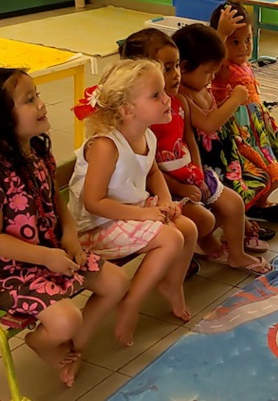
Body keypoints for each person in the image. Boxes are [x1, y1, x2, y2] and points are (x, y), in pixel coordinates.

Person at [0, 68, 128, 387]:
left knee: (116, 282)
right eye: (29, 100)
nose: (41, 104)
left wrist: (70, 235)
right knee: (66, 320)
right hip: (6, 271)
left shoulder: (37, 150)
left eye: (37, 95)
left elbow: (55, 200)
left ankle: (74, 350)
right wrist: (46, 258)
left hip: (49, 253)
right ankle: (43, 343)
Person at [119, 28, 274, 275]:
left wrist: (200, 173)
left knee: (232, 203)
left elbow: (188, 137)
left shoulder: (178, 101)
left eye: (177, 66)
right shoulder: (141, 114)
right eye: (166, 68)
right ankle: (184, 254)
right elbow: (148, 166)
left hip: (189, 173)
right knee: (202, 220)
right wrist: (179, 188)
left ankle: (236, 254)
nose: (175, 75)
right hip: (164, 186)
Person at [68, 59, 198, 347]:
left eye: (164, 92)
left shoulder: (146, 134)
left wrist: (164, 201)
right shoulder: (105, 146)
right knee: (170, 239)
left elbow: (151, 171)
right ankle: (130, 304)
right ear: (127, 110)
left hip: (126, 212)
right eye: (156, 95)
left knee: (187, 228)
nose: (167, 100)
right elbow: (93, 202)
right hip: (94, 228)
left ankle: (171, 284)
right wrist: (146, 215)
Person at [208, 2, 278, 222]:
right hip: (237, 131)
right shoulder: (221, 66)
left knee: (277, 168)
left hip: (257, 127)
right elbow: (210, 57)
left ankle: (259, 204)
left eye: (248, 39)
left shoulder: (246, 64)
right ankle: (249, 204)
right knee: (256, 171)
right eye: (235, 42)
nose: (244, 47)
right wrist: (219, 33)